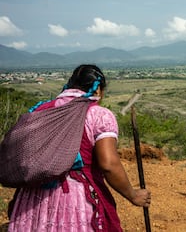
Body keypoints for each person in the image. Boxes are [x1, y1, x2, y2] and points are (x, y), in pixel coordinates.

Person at [8, 64, 151, 231]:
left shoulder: (40, 110)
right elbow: (109, 164)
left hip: (32, 198)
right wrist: (133, 195)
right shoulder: (98, 115)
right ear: (98, 90)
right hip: (73, 198)